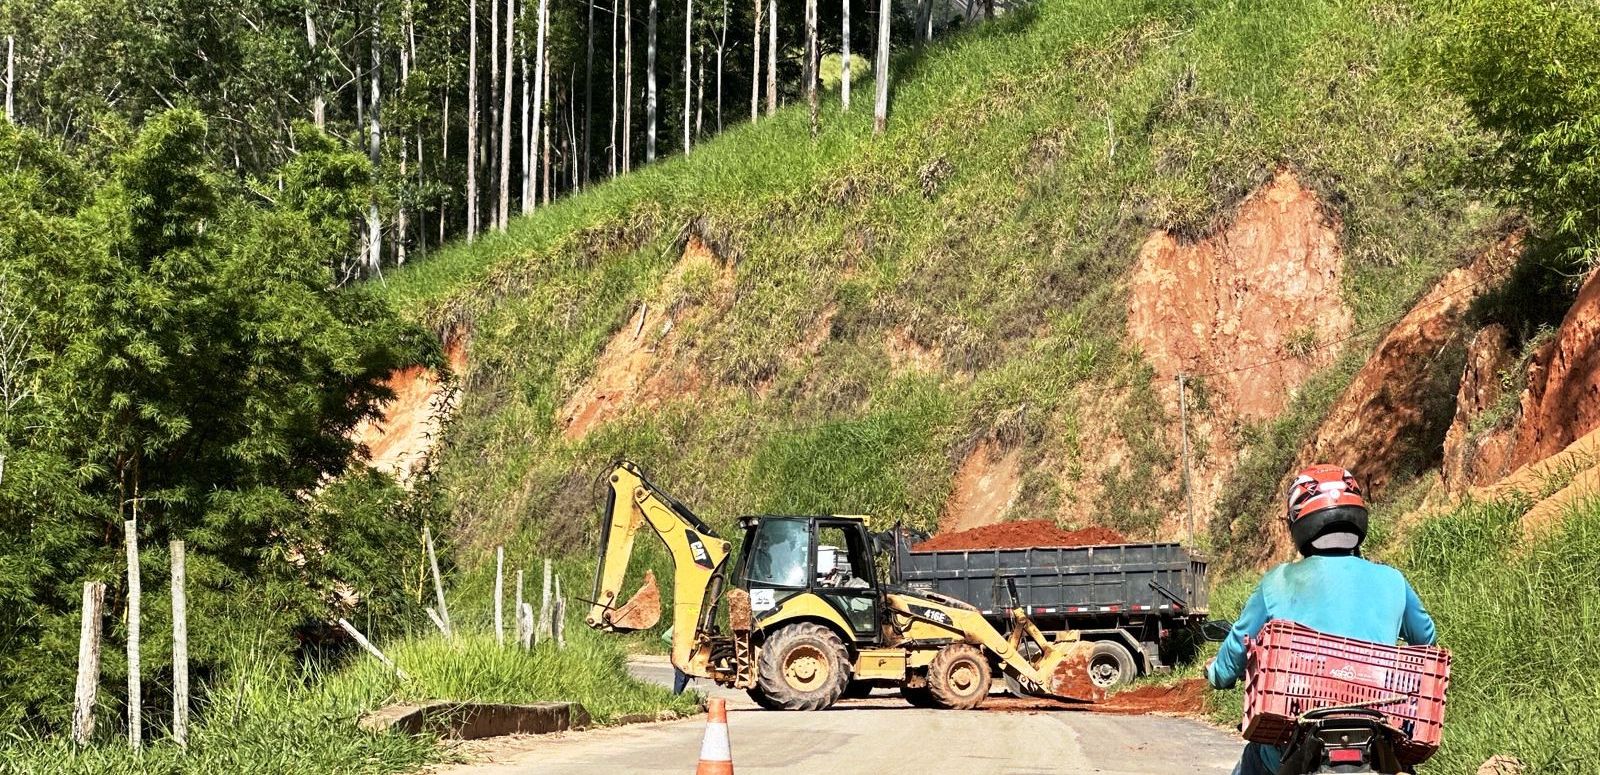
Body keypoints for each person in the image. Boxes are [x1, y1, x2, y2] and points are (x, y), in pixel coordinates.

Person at [1207, 464, 1438, 775]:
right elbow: (1426, 644)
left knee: (1254, 759)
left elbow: (1237, 645)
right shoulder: (1393, 581)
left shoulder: (1277, 582)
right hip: (1377, 737)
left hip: (1295, 742)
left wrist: (1217, 673)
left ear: (1299, 522)